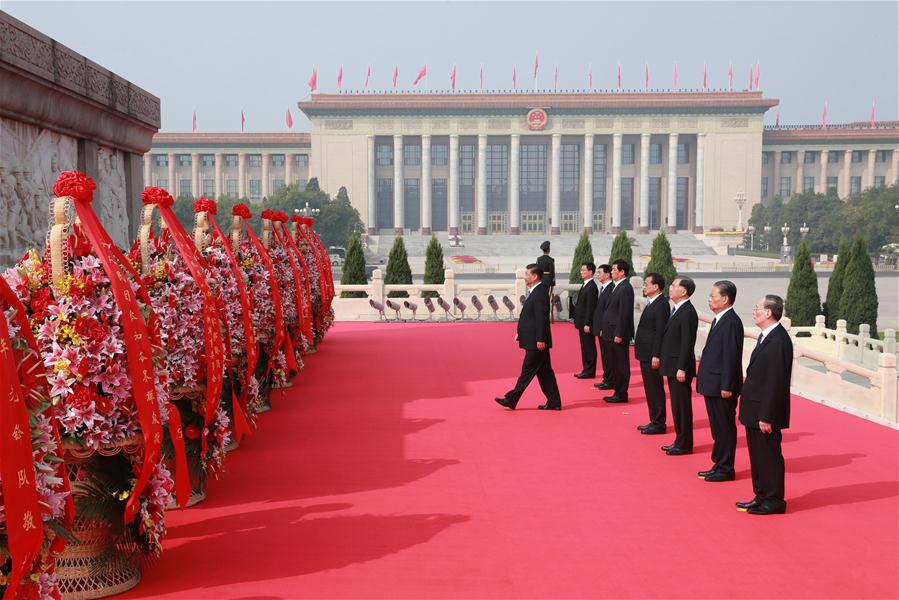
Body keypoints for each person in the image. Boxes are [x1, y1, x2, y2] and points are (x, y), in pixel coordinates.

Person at [737, 295, 792, 515]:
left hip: (764, 412)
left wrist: (766, 415)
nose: (754, 311)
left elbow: (776, 381)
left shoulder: (778, 340)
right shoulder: (766, 337)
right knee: (757, 456)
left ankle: (774, 499)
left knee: (769, 456)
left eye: (757, 308)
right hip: (754, 408)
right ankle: (760, 495)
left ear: (768, 312)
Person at [494, 264, 562, 411]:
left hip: (536, 342)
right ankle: (554, 401)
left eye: (527, 274)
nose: (524, 277)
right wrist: (521, 332)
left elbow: (541, 318)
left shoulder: (540, 293)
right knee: (545, 373)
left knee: (527, 372)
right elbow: (530, 317)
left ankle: (511, 399)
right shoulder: (535, 292)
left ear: (535, 276)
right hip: (533, 339)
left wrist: (540, 339)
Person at [696, 281, 745, 482]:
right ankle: (718, 463)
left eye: (712, 295)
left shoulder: (732, 322)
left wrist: (726, 385)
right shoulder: (720, 319)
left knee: (724, 427)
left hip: (722, 386)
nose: (709, 299)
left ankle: (726, 468)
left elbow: (731, 357)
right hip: (712, 383)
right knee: (717, 427)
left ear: (725, 299)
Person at [659, 276, 698, 455]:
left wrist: (682, 367)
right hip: (672, 365)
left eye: (674, 286)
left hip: (679, 367)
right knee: (676, 406)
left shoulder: (688, 312)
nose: (670, 288)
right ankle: (679, 439)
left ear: (683, 291)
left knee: (682, 406)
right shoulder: (677, 309)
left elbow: (687, 343)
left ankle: (684, 444)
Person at [634, 273, 670, 434]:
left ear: (655, 287)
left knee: (655, 388)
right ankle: (654, 419)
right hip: (645, 352)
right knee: (650, 388)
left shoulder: (661, 304)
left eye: (646, 284)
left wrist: (657, 354)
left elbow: (660, 332)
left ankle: (659, 423)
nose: (643, 286)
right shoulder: (652, 303)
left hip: (652, 354)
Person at [599, 259, 634, 403]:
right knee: (614, 363)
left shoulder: (625, 288)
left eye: (614, 270)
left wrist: (619, 333)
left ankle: (621, 393)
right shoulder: (617, 286)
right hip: (610, 331)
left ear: (622, 272)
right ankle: (617, 390)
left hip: (617, 333)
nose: (612, 272)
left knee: (621, 364)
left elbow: (624, 313)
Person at [572, 262, 598, 379]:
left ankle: (590, 371)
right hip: (582, 322)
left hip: (586, 324)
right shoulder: (585, 285)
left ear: (590, 272)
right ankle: (586, 369)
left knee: (589, 347)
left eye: (583, 270)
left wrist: (588, 323)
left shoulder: (592, 286)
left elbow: (591, 307)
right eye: (581, 270)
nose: (581, 272)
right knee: (585, 347)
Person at [591, 264, 614, 390]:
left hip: (606, 329)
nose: (597, 275)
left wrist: (601, 327)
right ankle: (607, 378)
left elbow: (607, 311)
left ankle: (610, 380)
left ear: (607, 274)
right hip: (601, 327)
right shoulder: (603, 288)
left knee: (608, 356)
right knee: (604, 356)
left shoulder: (611, 288)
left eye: (600, 272)